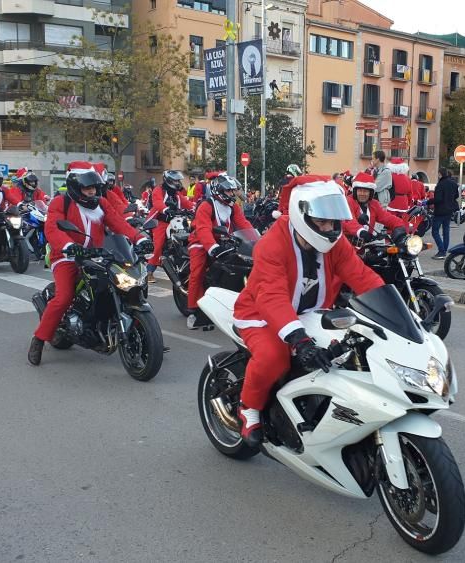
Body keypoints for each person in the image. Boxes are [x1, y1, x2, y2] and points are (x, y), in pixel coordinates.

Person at [233, 179, 384, 446]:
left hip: (311, 313)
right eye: (323, 222)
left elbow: (362, 276)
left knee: (352, 351)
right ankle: (249, 408)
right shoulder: (272, 245)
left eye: (334, 222)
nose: (330, 228)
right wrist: (300, 340)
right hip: (261, 314)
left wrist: (397, 312)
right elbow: (272, 297)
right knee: (274, 357)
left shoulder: (335, 243)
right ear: (303, 215)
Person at [28, 166, 152, 366]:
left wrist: (139, 239)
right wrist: (69, 246)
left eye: (94, 187)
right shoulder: (61, 202)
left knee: (124, 283)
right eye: (88, 188)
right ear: (76, 187)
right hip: (67, 256)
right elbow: (52, 228)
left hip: (100, 254)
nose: (92, 192)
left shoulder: (101, 203)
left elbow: (118, 224)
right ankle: (39, 339)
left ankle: (137, 331)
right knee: (64, 297)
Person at [186, 174, 253, 330]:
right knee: (197, 272)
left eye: (233, 191)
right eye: (230, 191)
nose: (233, 194)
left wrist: (257, 240)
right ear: (220, 191)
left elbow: (244, 225)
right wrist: (212, 247)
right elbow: (203, 229)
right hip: (201, 243)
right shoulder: (206, 205)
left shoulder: (233, 207)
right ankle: (193, 310)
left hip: (225, 242)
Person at [146, 170, 192, 283]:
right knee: (158, 246)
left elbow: (187, 203)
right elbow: (157, 202)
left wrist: (197, 208)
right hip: (160, 221)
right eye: (176, 180)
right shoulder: (159, 189)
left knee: (190, 237)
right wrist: (166, 209)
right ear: (169, 180)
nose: (178, 183)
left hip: (175, 220)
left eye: (178, 181)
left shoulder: (176, 194)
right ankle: (149, 272)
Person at [343, 172, 408, 243]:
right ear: (355, 191)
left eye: (365, 191)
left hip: (365, 246)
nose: (362, 194)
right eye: (359, 191)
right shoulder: (348, 201)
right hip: (346, 245)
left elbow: (386, 217)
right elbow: (349, 221)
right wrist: (361, 232)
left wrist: (399, 226)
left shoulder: (374, 204)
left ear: (371, 193)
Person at [426, 168, 457, 259]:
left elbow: (438, 199)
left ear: (440, 174)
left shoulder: (440, 184)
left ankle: (441, 251)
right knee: (446, 231)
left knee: (435, 231)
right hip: (449, 210)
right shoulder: (453, 183)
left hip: (440, 211)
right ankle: (444, 250)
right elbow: (456, 195)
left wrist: (427, 202)